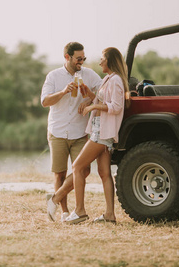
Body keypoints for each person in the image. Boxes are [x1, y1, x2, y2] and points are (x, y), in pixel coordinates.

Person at [47, 47, 129, 224]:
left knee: (77, 167)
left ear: (110, 61)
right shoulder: (108, 79)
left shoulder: (115, 81)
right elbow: (102, 99)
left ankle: (79, 211)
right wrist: (89, 94)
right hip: (99, 129)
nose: (99, 62)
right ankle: (109, 215)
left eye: (102, 59)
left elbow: (115, 107)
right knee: (104, 173)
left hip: (102, 132)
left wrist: (92, 106)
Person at [41, 42, 102, 222]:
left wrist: (90, 101)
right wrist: (62, 92)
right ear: (67, 57)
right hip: (57, 131)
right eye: (78, 58)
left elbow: (104, 92)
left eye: (83, 58)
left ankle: (54, 198)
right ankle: (65, 211)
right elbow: (44, 101)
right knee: (59, 173)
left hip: (79, 132)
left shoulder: (89, 74)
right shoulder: (53, 76)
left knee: (83, 170)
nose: (81, 62)